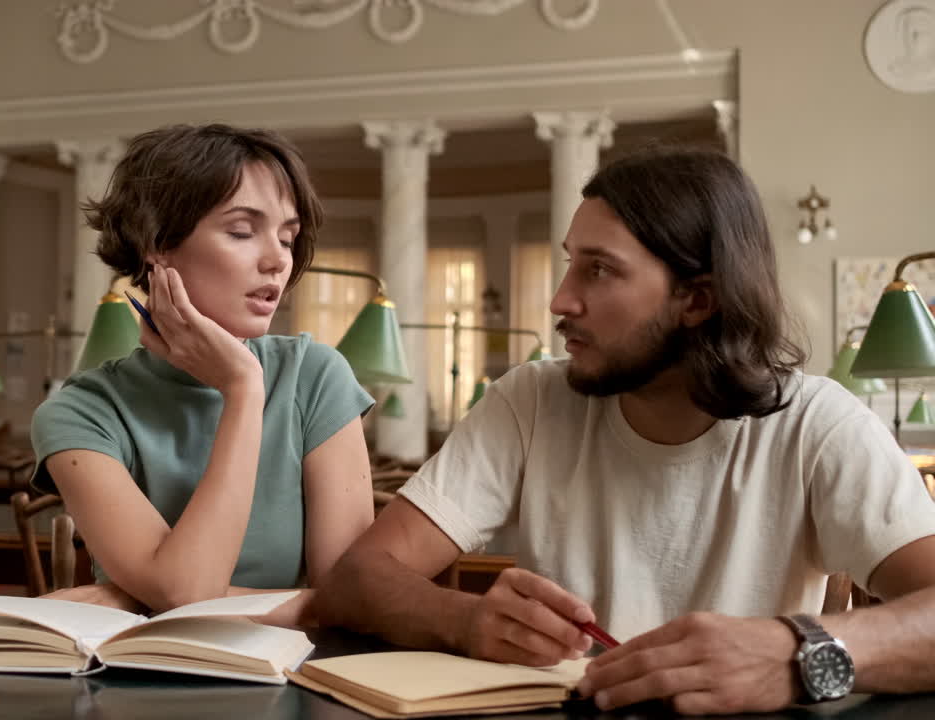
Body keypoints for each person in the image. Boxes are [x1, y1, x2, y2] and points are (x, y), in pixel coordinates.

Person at [314, 146, 935, 714]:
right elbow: (356, 577)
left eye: (599, 270)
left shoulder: (819, 424)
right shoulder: (530, 400)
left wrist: (794, 653)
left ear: (697, 300)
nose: (560, 301)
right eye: (568, 266)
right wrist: (466, 619)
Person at [30, 124, 375, 626]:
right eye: (241, 231)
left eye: (288, 237)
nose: (279, 260)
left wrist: (134, 598)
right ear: (159, 247)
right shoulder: (81, 412)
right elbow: (187, 590)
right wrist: (243, 390)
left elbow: (351, 603)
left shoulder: (316, 377)